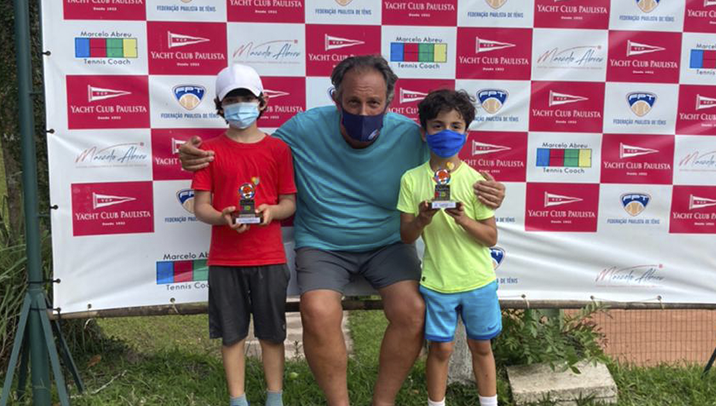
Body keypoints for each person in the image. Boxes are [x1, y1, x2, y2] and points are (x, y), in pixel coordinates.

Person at [180, 55, 506, 406]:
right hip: (323, 244)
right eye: (353, 102)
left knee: (412, 311)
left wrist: (491, 191)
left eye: (373, 103)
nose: (363, 112)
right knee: (318, 311)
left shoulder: (411, 136)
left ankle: (382, 403)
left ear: (389, 102)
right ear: (336, 98)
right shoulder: (304, 128)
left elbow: (452, 165)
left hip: (388, 243)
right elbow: (252, 149)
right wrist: (192, 157)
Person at [192, 64, 297, 406]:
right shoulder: (208, 152)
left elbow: (289, 204)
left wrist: (271, 212)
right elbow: (201, 207)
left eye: (247, 98)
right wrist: (222, 218)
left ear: (262, 102)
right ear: (219, 106)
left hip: (269, 258)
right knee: (232, 335)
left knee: (272, 334)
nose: (240, 106)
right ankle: (238, 400)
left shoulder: (278, 150)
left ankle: (274, 398)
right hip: (225, 261)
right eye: (231, 100)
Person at [398, 89, 501, 406]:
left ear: (466, 134)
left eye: (456, 126)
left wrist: (464, 219)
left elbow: (491, 238)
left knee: (481, 346)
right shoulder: (411, 180)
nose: (447, 133)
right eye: (438, 125)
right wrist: (422, 219)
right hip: (438, 283)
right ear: (424, 132)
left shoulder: (477, 181)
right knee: (440, 349)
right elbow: (406, 236)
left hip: (478, 281)